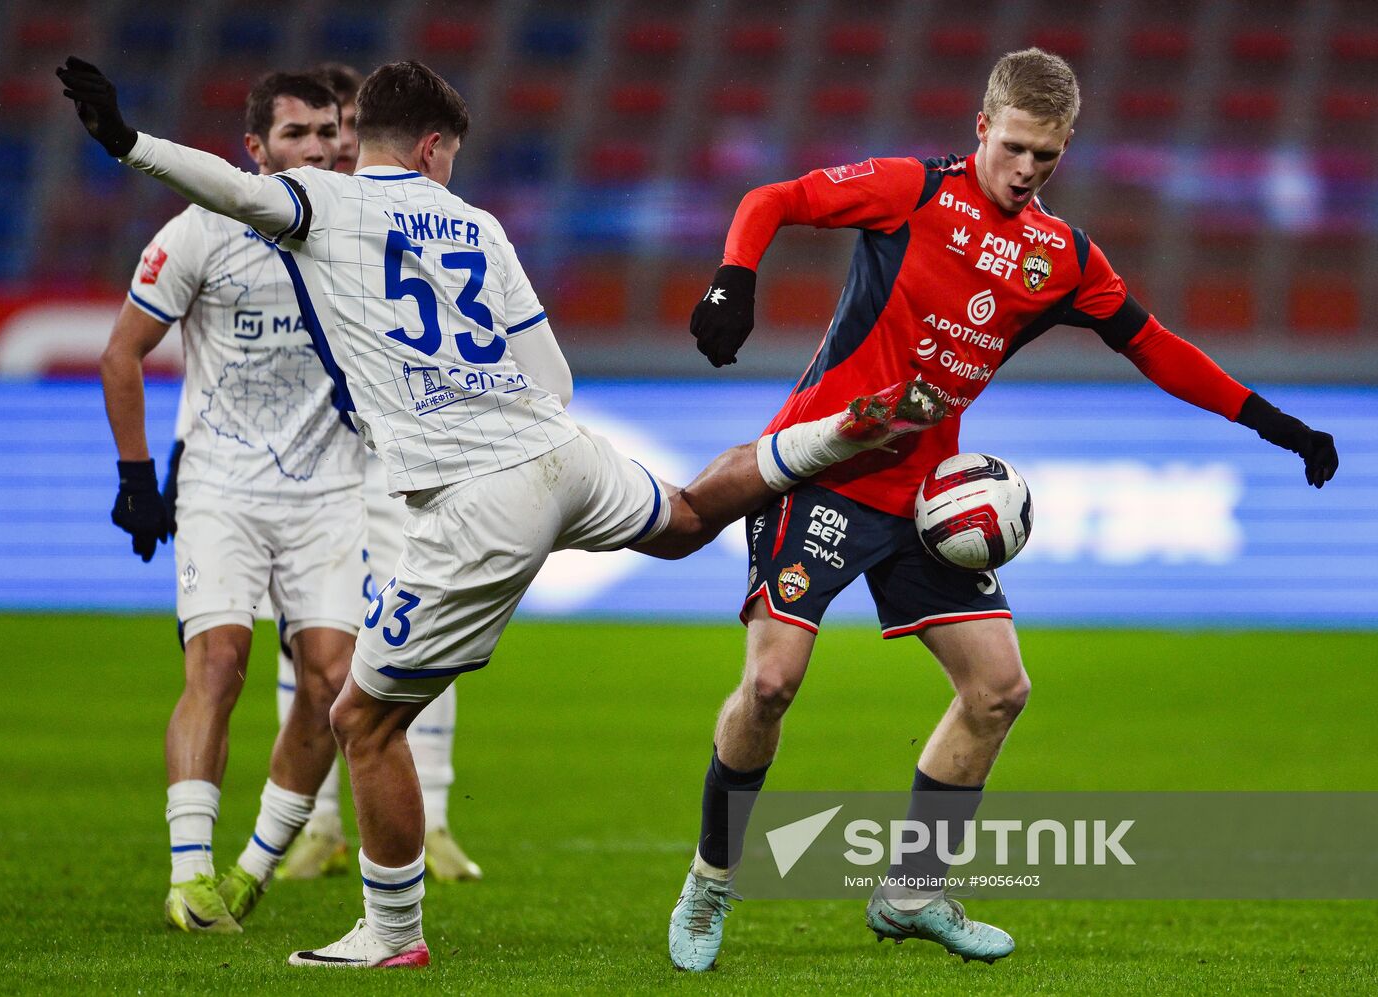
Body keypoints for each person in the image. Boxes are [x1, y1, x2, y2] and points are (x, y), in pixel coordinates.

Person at [59, 57, 947, 966]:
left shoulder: (327, 202)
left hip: (474, 491)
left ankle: (391, 935)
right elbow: (552, 378)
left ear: (371, 138)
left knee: (363, 721)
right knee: (683, 520)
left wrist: (128, 143)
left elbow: (228, 190)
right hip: (558, 449)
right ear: (437, 146)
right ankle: (839, 432)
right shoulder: (477, 224)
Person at [667, 47, 1339, 970]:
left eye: (1047, 158)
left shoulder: (1061, 257)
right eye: (1015, 148)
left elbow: (1155, 347)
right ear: (982, 128)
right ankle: (712, 877)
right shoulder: (909, 191)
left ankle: (913, 889)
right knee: (773, 682)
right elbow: (770, 200)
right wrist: (732, 278)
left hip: (931, 496)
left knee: (999, 689)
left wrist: (1275, 424)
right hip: (825, 466)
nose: (1027, 171)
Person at [98, 72, 368, 934]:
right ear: (254, 151)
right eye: (297, 134)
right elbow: (121, 353)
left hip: (333, 491)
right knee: (218, 666)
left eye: (329, 131)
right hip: (222, 486)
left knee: (334, 686)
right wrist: (137, 477)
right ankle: (188, 873)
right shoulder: (202, 230)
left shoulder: (359, 226)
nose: (320, 148)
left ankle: (252, 866)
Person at [272, 61, 482, 884]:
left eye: (340, 132)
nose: (330, 146)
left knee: (420, 623)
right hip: (309, 463)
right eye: (316, 132)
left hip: (396, 455)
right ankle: (321, 823)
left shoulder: (391, 218)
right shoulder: (294, 215)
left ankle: (430, 815)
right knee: (311, 642)